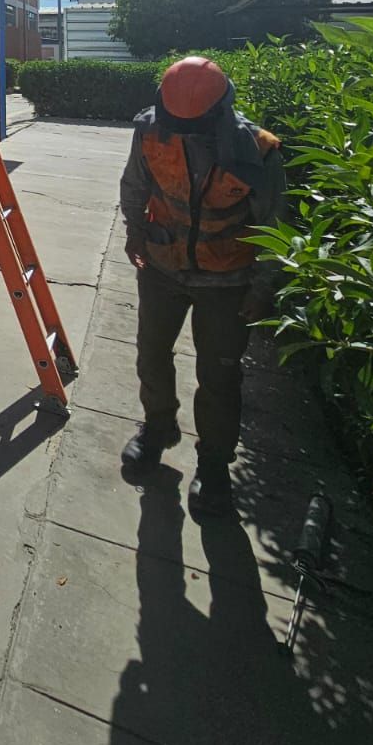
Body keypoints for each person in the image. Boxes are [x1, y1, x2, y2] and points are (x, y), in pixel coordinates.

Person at [118, 55, 285, 516]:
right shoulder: (150, 131)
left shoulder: (260, 150)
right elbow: (134, 185)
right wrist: (135, 232)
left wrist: (261, 288)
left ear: (221, 110)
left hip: (227, 280)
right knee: (151, 353)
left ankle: (213, 464)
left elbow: (275, 226)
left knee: (219, 375)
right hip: (162, 268)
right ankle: (157, 429)